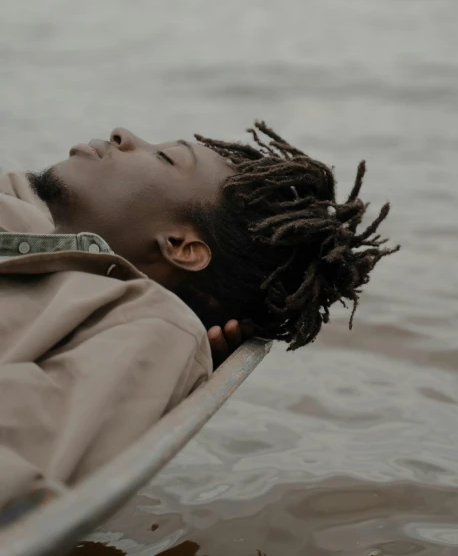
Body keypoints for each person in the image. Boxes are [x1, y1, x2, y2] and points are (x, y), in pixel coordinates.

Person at [0, 121, 397, 513]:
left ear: (181, 246)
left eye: (164, 158)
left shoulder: (153, 326)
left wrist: (177, 360)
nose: (123, 134)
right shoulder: (22, 205)